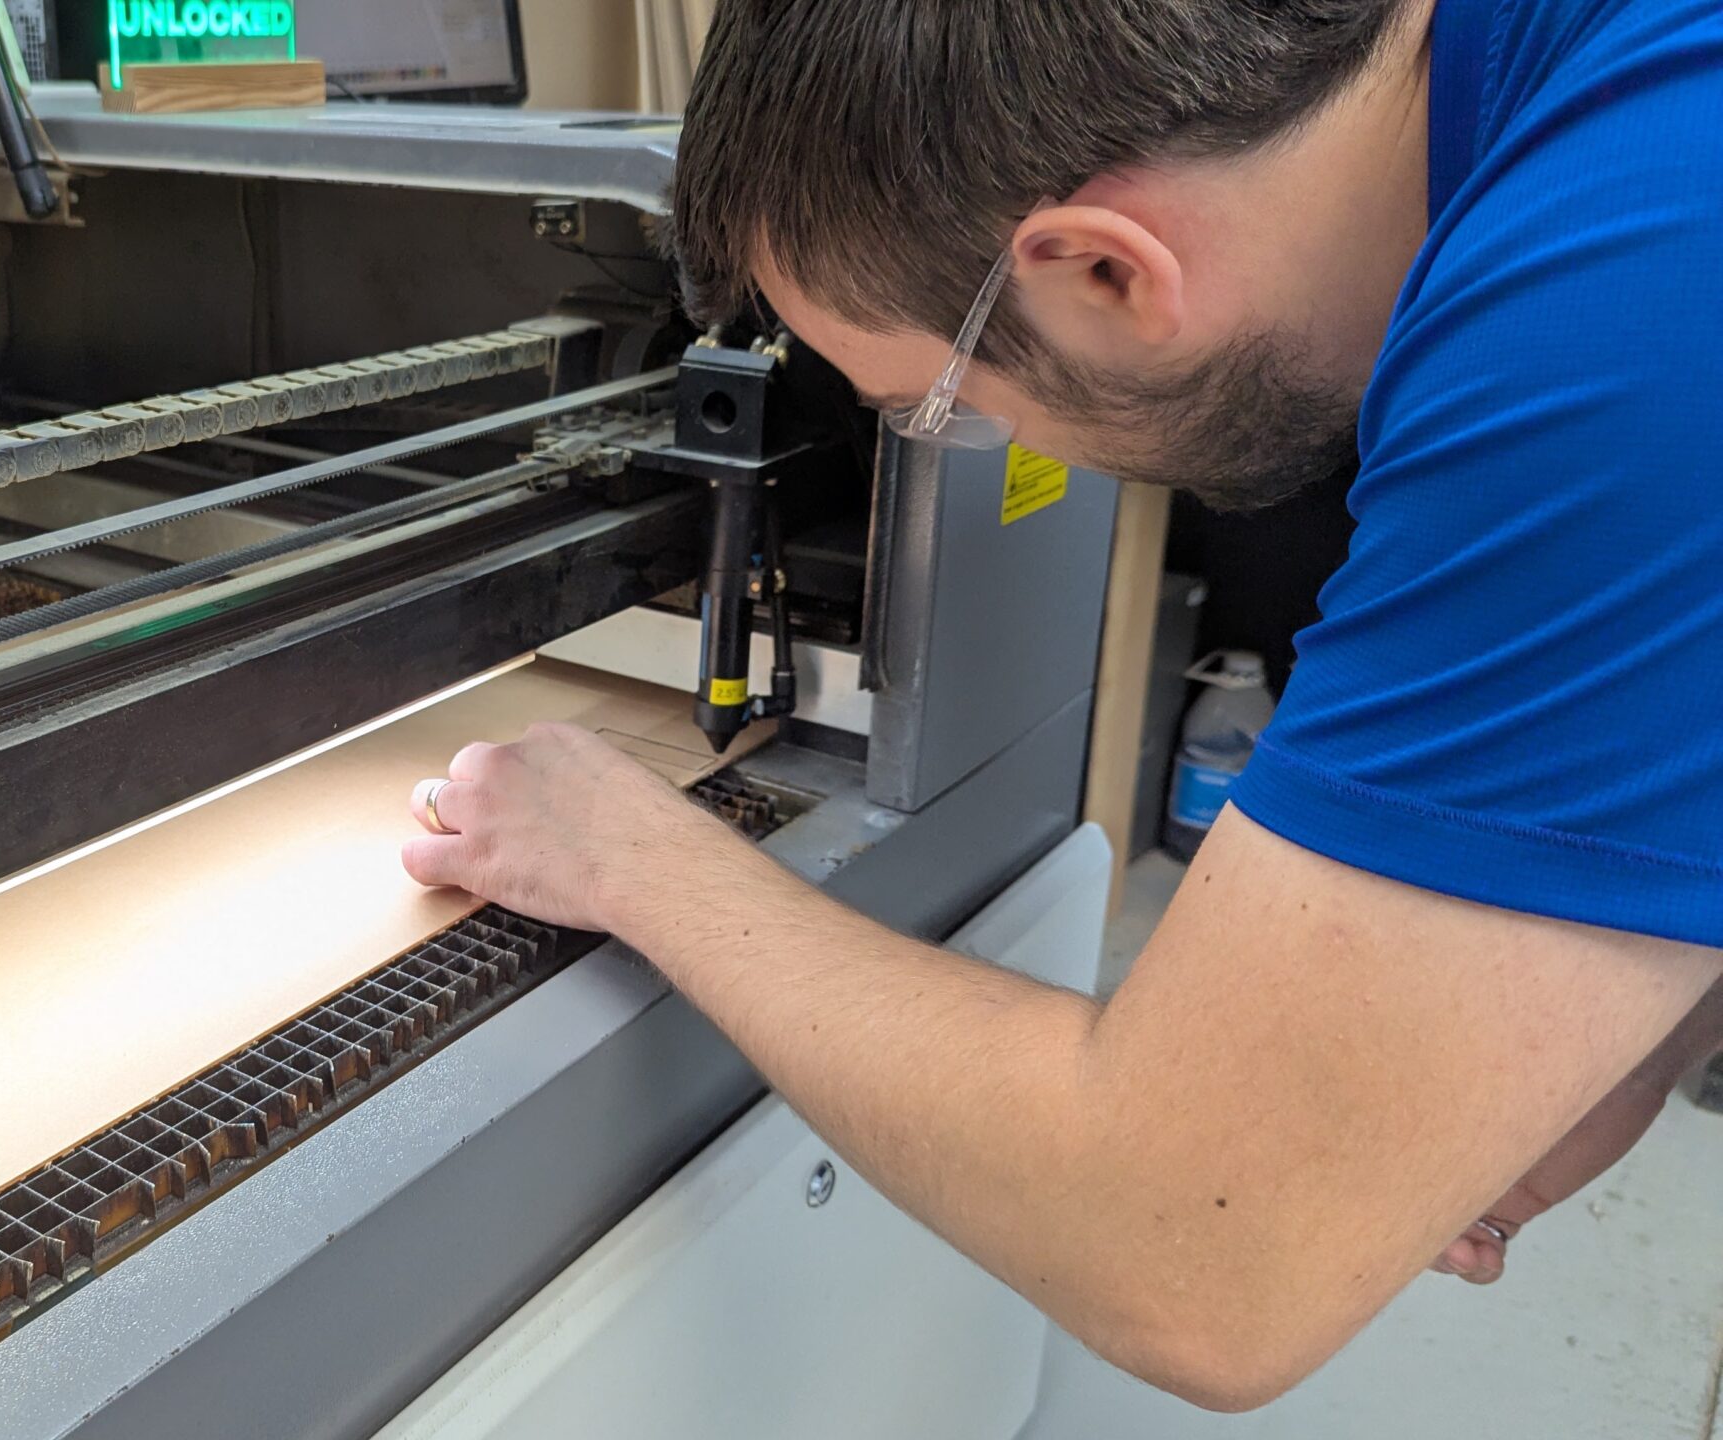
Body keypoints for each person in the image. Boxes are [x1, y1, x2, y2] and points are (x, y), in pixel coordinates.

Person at [400, 0, 1723, 1413]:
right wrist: (1647, 992)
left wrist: (634, 854)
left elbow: (1189, 1253)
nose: (989, 446)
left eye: (939, 410)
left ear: (1103, 268)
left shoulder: (1621, 317)